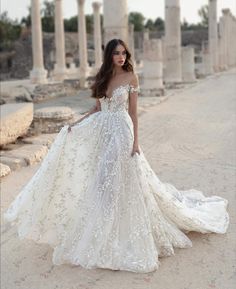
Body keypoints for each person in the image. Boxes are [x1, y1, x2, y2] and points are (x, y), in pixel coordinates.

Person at [4, 39, 229, 273]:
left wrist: (136, 142)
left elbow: (132, 113)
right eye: (117, 53)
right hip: (103, 132)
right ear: (109, 56)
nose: (121, 57)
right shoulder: (103, 77)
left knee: (111, 178)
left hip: (122, 132)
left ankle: (115, 229)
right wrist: (76, 124)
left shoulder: (131, 77)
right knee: (103, 180)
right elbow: (97, 108)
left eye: (124, 53)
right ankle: (102, 226)